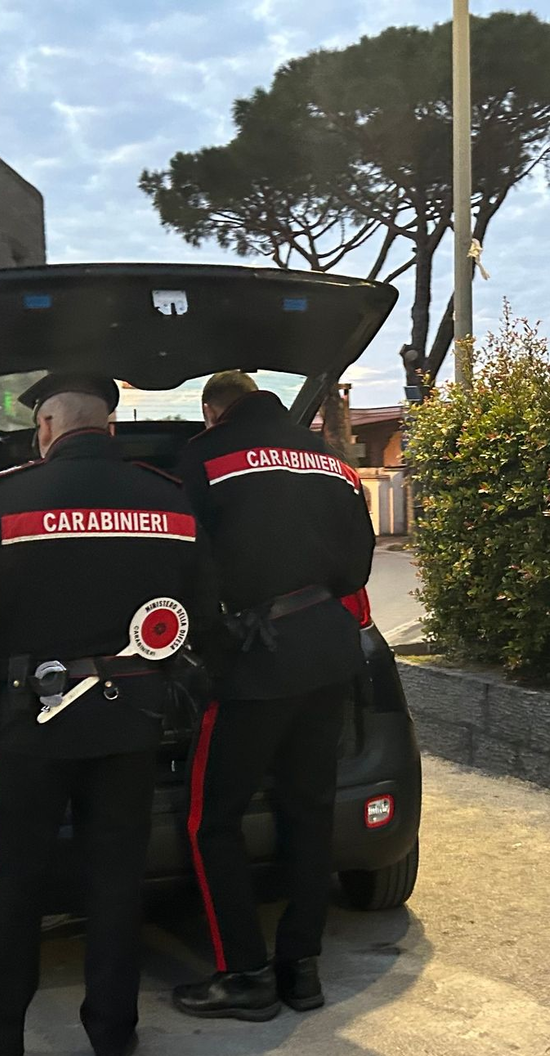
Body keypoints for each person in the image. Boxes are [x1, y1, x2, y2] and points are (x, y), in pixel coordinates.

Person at [0, 373, 217, 1056]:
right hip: (131, 719)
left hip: (32, 723)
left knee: (16, 883)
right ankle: (113, 1041)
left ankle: (0, 1043)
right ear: (110, 429)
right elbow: (201, 611)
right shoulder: (168, 499)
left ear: (47, 429)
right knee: (116, 877)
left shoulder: (5, 498)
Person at [171, 370, 375, 1020]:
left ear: (212, 412)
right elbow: (356, 568)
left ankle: (244, 973)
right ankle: (301, 967)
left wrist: (210, 641)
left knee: (214, 819)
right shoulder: (332, 463)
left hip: (254, 661)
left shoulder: (205, 459)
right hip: (329, 651)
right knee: (309, 809)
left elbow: (183, 562)